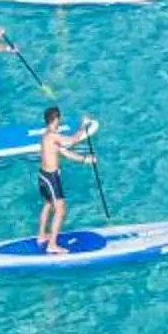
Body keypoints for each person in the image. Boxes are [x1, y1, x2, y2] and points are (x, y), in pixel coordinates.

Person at [35, 105, 96, 254]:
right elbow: (72, 141)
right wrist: (84, 125)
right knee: (60, 210)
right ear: (57, 119)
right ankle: (52, 245)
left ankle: (41, 236)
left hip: (43, 176)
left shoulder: (47, 135)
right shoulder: (52, 136)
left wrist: (85, 159)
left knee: (48, 205)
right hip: (51, 178)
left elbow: (66, 153)